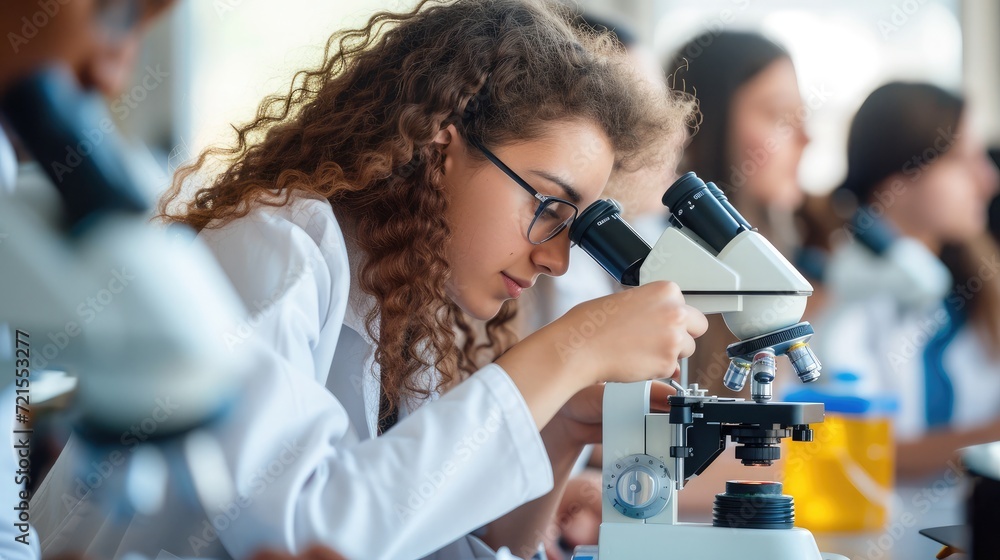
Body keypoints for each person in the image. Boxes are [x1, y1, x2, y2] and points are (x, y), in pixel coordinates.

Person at [31, 1, 705, 558]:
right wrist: (569, 347)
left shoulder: (409, 302)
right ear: (441, 146)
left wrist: (557, 433)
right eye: (549, 207)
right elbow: (304, 534)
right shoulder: (277, 244)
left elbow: (439, 541)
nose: (557, 259)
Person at [817, 82, 1000, 479]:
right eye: (961, 160)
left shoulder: (972, 284)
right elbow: (860, 455)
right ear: (896, 183)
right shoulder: (844, 294)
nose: (987, 180)